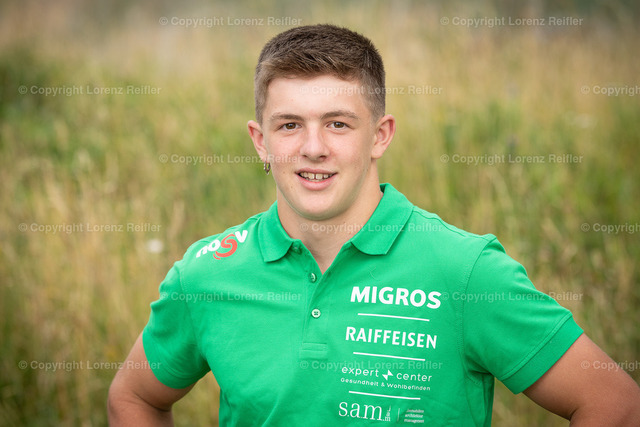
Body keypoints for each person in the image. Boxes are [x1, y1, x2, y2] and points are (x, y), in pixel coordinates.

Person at [108, 24, 640, 426]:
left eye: (338, 124)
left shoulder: (464, 271)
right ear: (260, 141)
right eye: (289, 125)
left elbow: (614, 404)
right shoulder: (206, 274)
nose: (313, 148)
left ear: (380, 135)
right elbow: (132, 397)